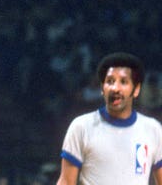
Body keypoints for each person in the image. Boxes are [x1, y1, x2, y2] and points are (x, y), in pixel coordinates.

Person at [56, 52, 162, 185]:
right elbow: (66, 181)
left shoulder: (153, 129)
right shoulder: (81, 126)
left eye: (123, 82)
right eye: (110, 81)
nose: (115, 88)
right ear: (102, 88)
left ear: (136, 89)